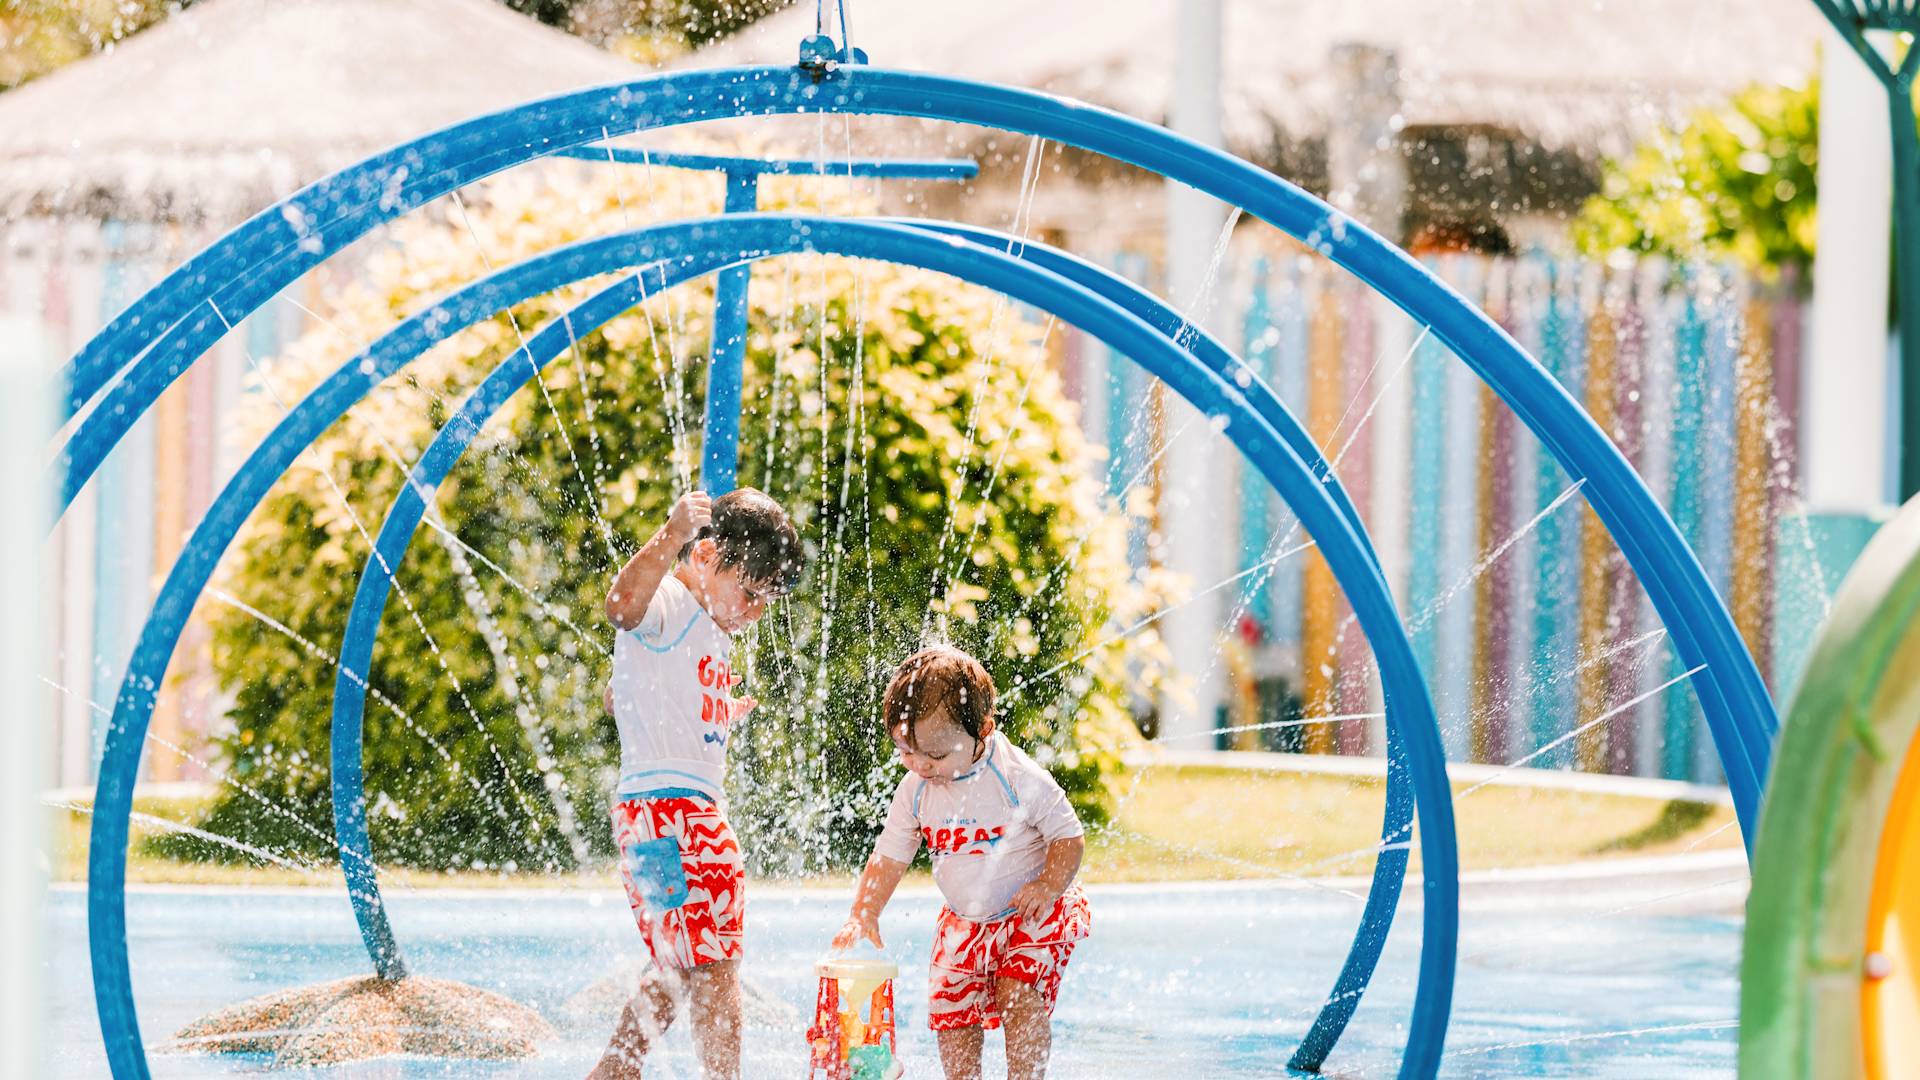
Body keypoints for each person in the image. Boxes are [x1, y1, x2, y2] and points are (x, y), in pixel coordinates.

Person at [590, 487, 804, 1080]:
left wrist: (718, 710)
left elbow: (643, 691)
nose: (755, 610)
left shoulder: (704, 629)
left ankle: (617, 1069)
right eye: (751, 592)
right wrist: (672, 530)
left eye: (767, 601)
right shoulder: (670, 604)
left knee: (678, 958)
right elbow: (621, 604)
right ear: (705, 557)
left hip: (646, 820)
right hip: (683, 818)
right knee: (717, 962)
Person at [832, 645, 1090, 1080]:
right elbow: (890, 854)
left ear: (982, 732)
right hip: (964, 924)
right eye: (906, 751)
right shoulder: (915, 789)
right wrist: (865, 912)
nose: (920, 765)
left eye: (935, 756)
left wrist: (1048, 885)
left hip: (1030, 914)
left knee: (1017, 991)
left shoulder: (1015, 776)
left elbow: (1069, 836)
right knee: (951, 1010)